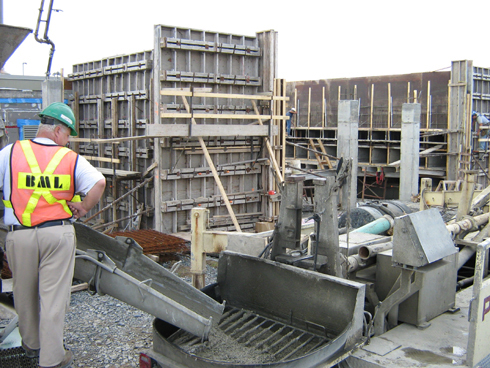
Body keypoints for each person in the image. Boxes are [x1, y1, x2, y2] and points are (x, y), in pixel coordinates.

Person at [0, 102, 106, 368]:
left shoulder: (10, 152)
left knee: (23, 294)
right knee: (53, 299)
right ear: (58, 131)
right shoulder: (69, 158)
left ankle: (32, 347)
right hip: (57, 235)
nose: (67, 140)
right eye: (68, 134)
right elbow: (99, 182)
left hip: (19, 235)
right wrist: (83, 206)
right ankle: (52, 359)